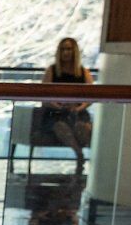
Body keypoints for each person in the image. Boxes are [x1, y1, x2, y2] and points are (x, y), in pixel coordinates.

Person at [40, 36, 94, 170]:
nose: (66, 52)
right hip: (55, 112)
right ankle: (78, 153)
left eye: (69, 49)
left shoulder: (83, 72)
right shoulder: (51, 71)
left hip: (77, 111)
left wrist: (79, 107)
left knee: (82, 126)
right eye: (63, 49)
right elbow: (43, 96)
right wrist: (57, 105)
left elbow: (91, 97)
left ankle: (91, 158)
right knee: (60, 126)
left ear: (74, 51)